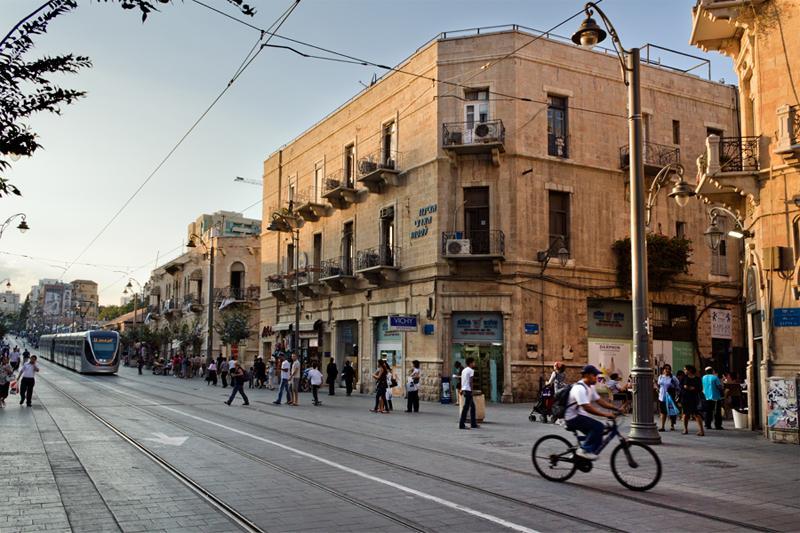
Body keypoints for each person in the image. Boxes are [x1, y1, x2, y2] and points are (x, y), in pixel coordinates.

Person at [564, 364, 620, 460]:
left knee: (598, 433)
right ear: (587, 375)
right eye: (594, 375)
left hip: (580, 416)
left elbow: (599, 401)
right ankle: (583, 450)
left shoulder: (590, 387)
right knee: (598, 427)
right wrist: (605, 414)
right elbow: (587, 407)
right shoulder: (579, 388)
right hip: (572, 417)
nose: (596, 378)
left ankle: (580, 454)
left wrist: (616, 409)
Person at [680, 365, 705, 436]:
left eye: (685, 369)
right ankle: (685, 429)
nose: (684, 371)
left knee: (696, 414)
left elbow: (700, 388)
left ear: (690, 370)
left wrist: (692, 388)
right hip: (685, 398)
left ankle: (701, 430)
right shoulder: (684, 378)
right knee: (685, 414)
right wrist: (686, 388)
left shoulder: (697, 379)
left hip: (694, 398)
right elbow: (681, 387)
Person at [657, 364, 680, 431]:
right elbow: (659, 385)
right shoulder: (660, 377)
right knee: (663, 412)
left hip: (670, 397)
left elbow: (678, 386)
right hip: (662, 397)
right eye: (666, 369)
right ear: (663, 370)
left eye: (668, 369)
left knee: (671, 411)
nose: (667, 370)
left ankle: (672, 425)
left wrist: (674, 389)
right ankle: (662, 426)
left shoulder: (673, 378)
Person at [459, 357, 478, 429]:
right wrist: (472, 391)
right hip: (468, 390)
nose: (474, 363)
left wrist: (461, 389)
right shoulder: (471, 370)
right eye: (473, 362)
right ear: (470, 363)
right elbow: (471, 381)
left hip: (464, 389)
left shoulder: (464, 370)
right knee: (466, 408)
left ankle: (473, 424)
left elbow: (462, 380)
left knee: (472, 407)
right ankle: (461, 424)